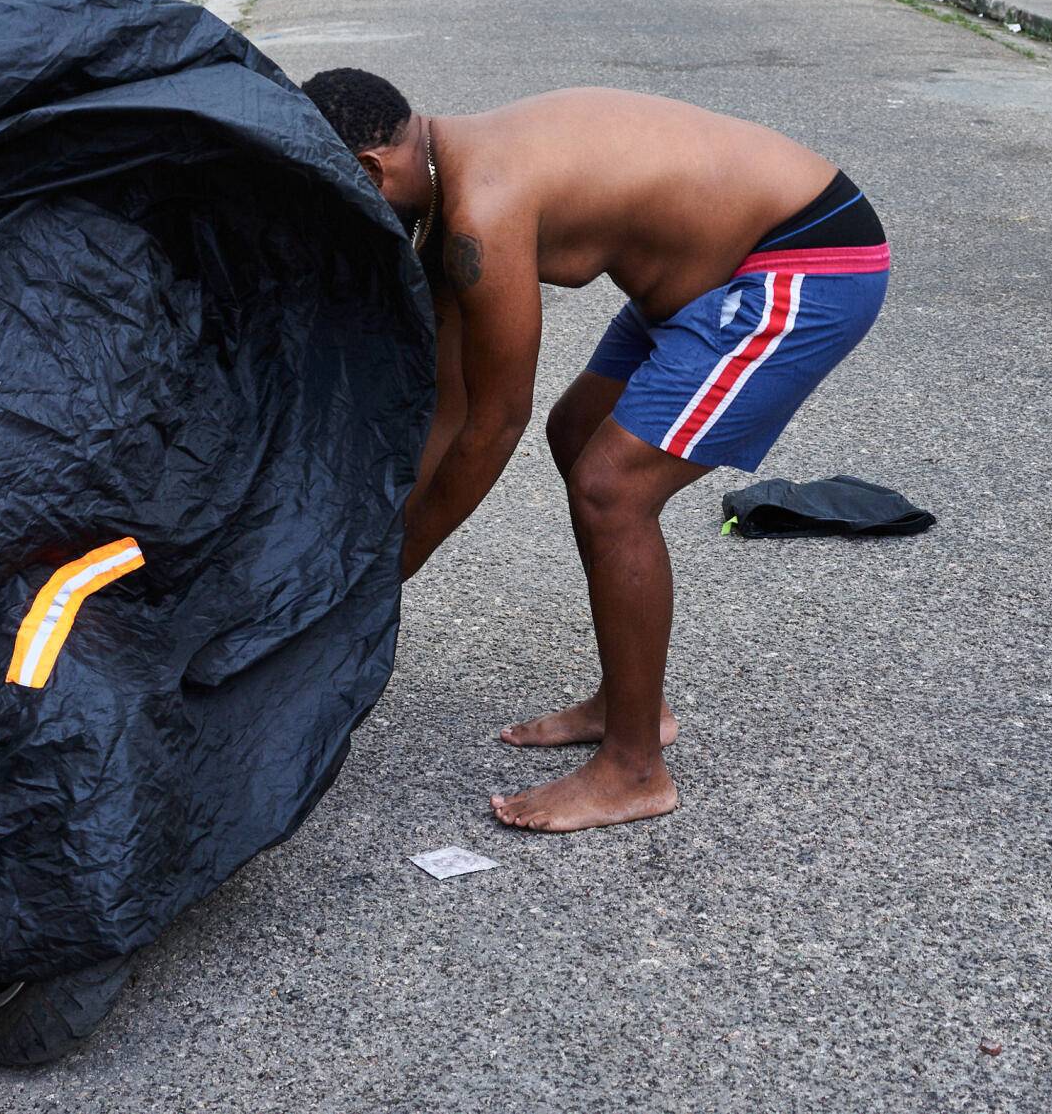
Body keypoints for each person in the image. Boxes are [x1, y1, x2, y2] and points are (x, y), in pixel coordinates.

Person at [300, 72, 892, 833]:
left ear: (372, 168)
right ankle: (629, 698)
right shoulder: (442, 191)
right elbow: (447, 404)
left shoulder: (483, 208)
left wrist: (383, 577)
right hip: (698, 277)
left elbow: (494, 420)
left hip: (802, 256)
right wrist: (375, 549)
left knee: (612, 487)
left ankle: (635, 768)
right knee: (578, 433)